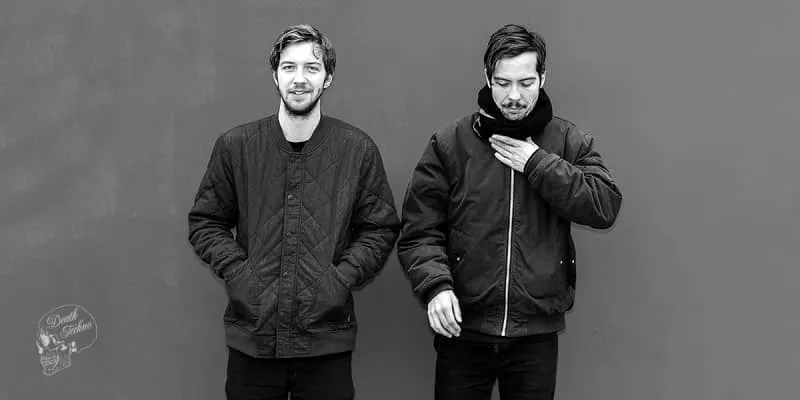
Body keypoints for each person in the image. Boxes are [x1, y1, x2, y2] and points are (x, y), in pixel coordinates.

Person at [396, 23, 623, 399]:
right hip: (463, 333)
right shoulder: (450, 144)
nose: (514, 95)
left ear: (543, 78)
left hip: (535, 337)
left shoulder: (567, 141)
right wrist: (436, 287)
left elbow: (604, 204)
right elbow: (419, 230)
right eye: (502, 83)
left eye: (525, 83)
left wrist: (537, 163)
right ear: (487, 77)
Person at [187, 24, 400, 400]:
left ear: (328, 78)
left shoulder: (357, 149)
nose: (299, 79)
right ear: (275, 75)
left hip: (325, 344)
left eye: (311, 68)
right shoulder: (236, 146)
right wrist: (240, 275)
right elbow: (206, 222)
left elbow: (380, 228)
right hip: (252, 341)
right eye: (289, 67)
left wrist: (339, 281)